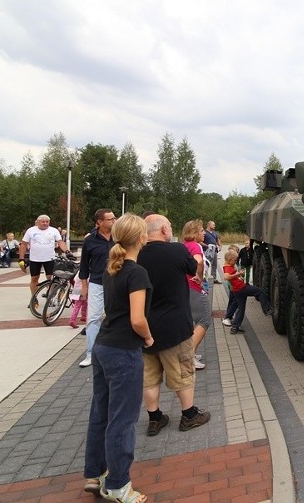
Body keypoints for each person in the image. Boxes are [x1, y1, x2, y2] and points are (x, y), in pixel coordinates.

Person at [83, 213, 153, 502]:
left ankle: (96, 473)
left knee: (100, 412)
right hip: (124, 351)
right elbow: (137, 319)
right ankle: (118, 484)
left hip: (102, 346)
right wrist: (148, 337)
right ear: (141, 238)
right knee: (122, 420)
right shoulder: (136, 272)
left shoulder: (112, 268)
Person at [137, 214, 211, 436]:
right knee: (183, 373)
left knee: (150, 377)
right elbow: (193, 268)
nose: (170, 229)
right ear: (162, 230)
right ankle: (189, 415)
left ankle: (155, 418)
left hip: (145, 328)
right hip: (174, 326)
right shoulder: (177, 251)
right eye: (168, 226)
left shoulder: (136, 254)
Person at [78, 209, 117, 368]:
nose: (114, 221)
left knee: (116, 317)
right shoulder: (90, 240)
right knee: (93, 318)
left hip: (117, 282)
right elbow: (84, 265)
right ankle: (91, 354)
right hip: (97, 282)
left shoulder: (119, 237)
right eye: (110, 219)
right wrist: (84, 286)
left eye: (114, 218)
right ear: (99, 222)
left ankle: (115, 350)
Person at [19, 215, 70, 307]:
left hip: (50, 258)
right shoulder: (31, 230)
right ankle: (34, 299)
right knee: (34, 279)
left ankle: (50, 297)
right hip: (35, 259)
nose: (45, 223)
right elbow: (23, 245)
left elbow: (60, 242)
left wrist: (67, 251)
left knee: (51, 278)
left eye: (47, 222)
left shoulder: (53, 230)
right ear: (38, 222)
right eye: (43, 222)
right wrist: (21, 259)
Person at [181, 219, 211, 370]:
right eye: (201, 231)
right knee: (204, 319)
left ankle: (190, 353)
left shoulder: (185, 246)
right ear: (194, 233)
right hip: (194, 287)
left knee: (191, 321)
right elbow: (198, 262)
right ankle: (188, 357)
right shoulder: (195, 246)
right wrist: (199, 276)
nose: (204, 233)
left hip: (184, 286)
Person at [223, 248, 274, 334]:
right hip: (241, 288)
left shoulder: (228, 266)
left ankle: (235, 327)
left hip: (237, 290)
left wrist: (239, 276)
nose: (235, 262)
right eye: (235, 260)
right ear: (229, 259)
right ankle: (267, 309)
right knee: (258, 291)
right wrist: (238, 274)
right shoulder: (228, 267)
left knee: (241, 308)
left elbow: (232, 277)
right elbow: (226, 277)